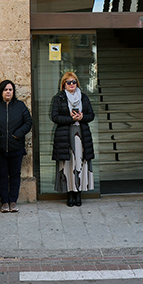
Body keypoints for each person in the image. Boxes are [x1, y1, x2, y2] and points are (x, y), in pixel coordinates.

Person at [0, 80, 33, 213]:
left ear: (13, 92)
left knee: (15, 175)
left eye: (10, 90)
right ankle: (4, 202)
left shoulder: (20, 106)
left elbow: (28, 122)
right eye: (5, 90)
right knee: (1, 175)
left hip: (16, 147)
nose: (8, 92)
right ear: (1, 92)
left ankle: (13, 201)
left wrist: (18, 134)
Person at [50, 72, 95, 207]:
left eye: (74, 82)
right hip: (65, 134)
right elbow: (55, 117)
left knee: (80, 163)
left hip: (82, 133)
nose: (71, 85)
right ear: (63, 84)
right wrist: (70, 119)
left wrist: (82, 117)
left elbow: (91, 115)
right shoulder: (58, 98)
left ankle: (79, 193)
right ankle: (70, 193)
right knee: (68, 164)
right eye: (68, 82)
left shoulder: (84, 97)